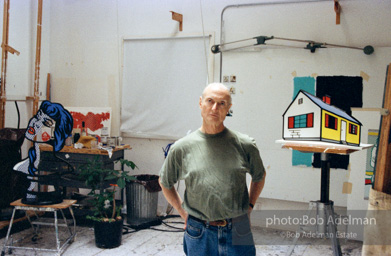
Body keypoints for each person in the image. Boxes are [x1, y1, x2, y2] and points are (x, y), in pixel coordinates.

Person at [159, 83, 266, 256]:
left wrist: (250, 207)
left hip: (238, 230)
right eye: (210, 101)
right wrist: (181, 210)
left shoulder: (245, 144)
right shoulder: (182, 148)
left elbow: (259, 176)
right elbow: (165, 182)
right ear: (200, 103)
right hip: (199, 232)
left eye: (222, 103)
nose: (215, 108)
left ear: (229, 108)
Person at [14, 101, 73, 204]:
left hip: (45, 199)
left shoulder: (48, 162)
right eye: (38, 117)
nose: (36, 124)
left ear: (56, 130)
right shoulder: (25, 163)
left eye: (45, 122)